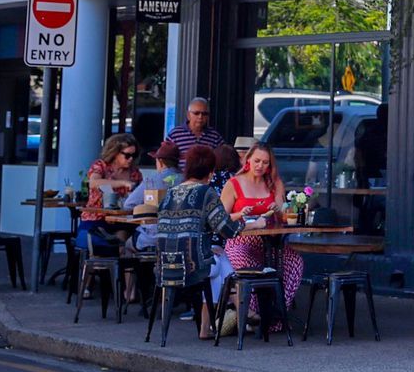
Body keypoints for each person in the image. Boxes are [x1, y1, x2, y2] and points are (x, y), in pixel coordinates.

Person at [155, 144, 246, 339]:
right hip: (193, 265)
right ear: (211, 172)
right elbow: (226, 230)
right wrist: (249, 225)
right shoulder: (206, 193)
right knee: (223, 266)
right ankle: (240, 319)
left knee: (219, 262)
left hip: (164, 264)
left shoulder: (170, 192)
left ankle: (208, 327)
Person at [220, 142, 303, 329]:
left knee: (294, 261)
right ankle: (255, 316)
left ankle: (277, 314)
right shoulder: (233, 183)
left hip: (270, 241)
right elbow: (221, 218)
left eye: (265, 163)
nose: (260, 166)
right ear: (248, 160)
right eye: (257, 161)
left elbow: (284, 216)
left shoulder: (274, 183)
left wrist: (278, 209)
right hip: (240, 240)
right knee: (249, 267)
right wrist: (241, 215)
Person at [80, 133, 144, 255]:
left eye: (134, 155)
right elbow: (93, 182)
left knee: (126, 244)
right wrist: (122, 183)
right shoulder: (101, 166)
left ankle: (120, 271)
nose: (131, 159)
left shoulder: (134, 173)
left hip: (121, 220)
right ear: (115, 153)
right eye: (127, 155)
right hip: (97, 218)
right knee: (96, 249)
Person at [128, 141, 183, 252]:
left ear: (160, 162)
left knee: (127, 244)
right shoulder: (187, 179)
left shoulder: (151, 181)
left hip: (153, 238)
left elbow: (129, 204)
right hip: (181, 239)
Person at [164, 97, 227, 165]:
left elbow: (223, 158)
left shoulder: (215, 137)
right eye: (196, 113)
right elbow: (164, 159)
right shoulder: (174, 135)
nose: (200, 117)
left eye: (204, 114)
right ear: (188, 115)